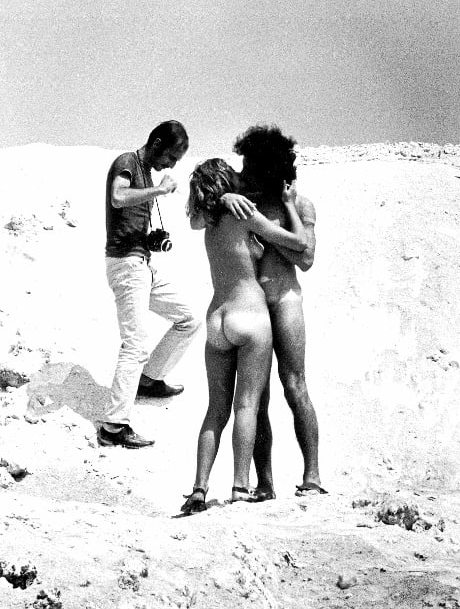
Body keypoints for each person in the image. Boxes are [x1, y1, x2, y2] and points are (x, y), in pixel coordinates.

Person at [180, 159, 308, 514]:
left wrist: (218, 199)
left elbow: (193, 219)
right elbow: (299, 243)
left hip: (217, 317)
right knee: (247, 405)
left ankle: (199, 488)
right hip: (249, 314)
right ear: (228, 183)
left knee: (215, 411)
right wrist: (288, 204)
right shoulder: (245, 214)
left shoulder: (207, 220)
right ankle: (240, 486)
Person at [220, 125, 323, 498]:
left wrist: (284, 213)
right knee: (257, 396)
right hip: (253, 305)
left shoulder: (300, 204)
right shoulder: (241, 199)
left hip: (285, 298)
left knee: (295, 385)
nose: (244, 171)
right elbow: (201, 202)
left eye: (251, 165)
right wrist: (226, 195)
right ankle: (265, 483)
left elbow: (306, 258)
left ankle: (312, 476)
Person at [99, 120, 201, 449]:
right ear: (156, 143)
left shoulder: (144, 171)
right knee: (135, 345)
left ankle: (150, 379)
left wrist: (150, 240)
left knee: (189, 319)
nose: (170, 165)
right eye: (170, 157)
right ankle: (113, 426)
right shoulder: (127, 162)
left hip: (142, 263)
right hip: (126, 266)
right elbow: (118, 196)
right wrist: (158, 190)